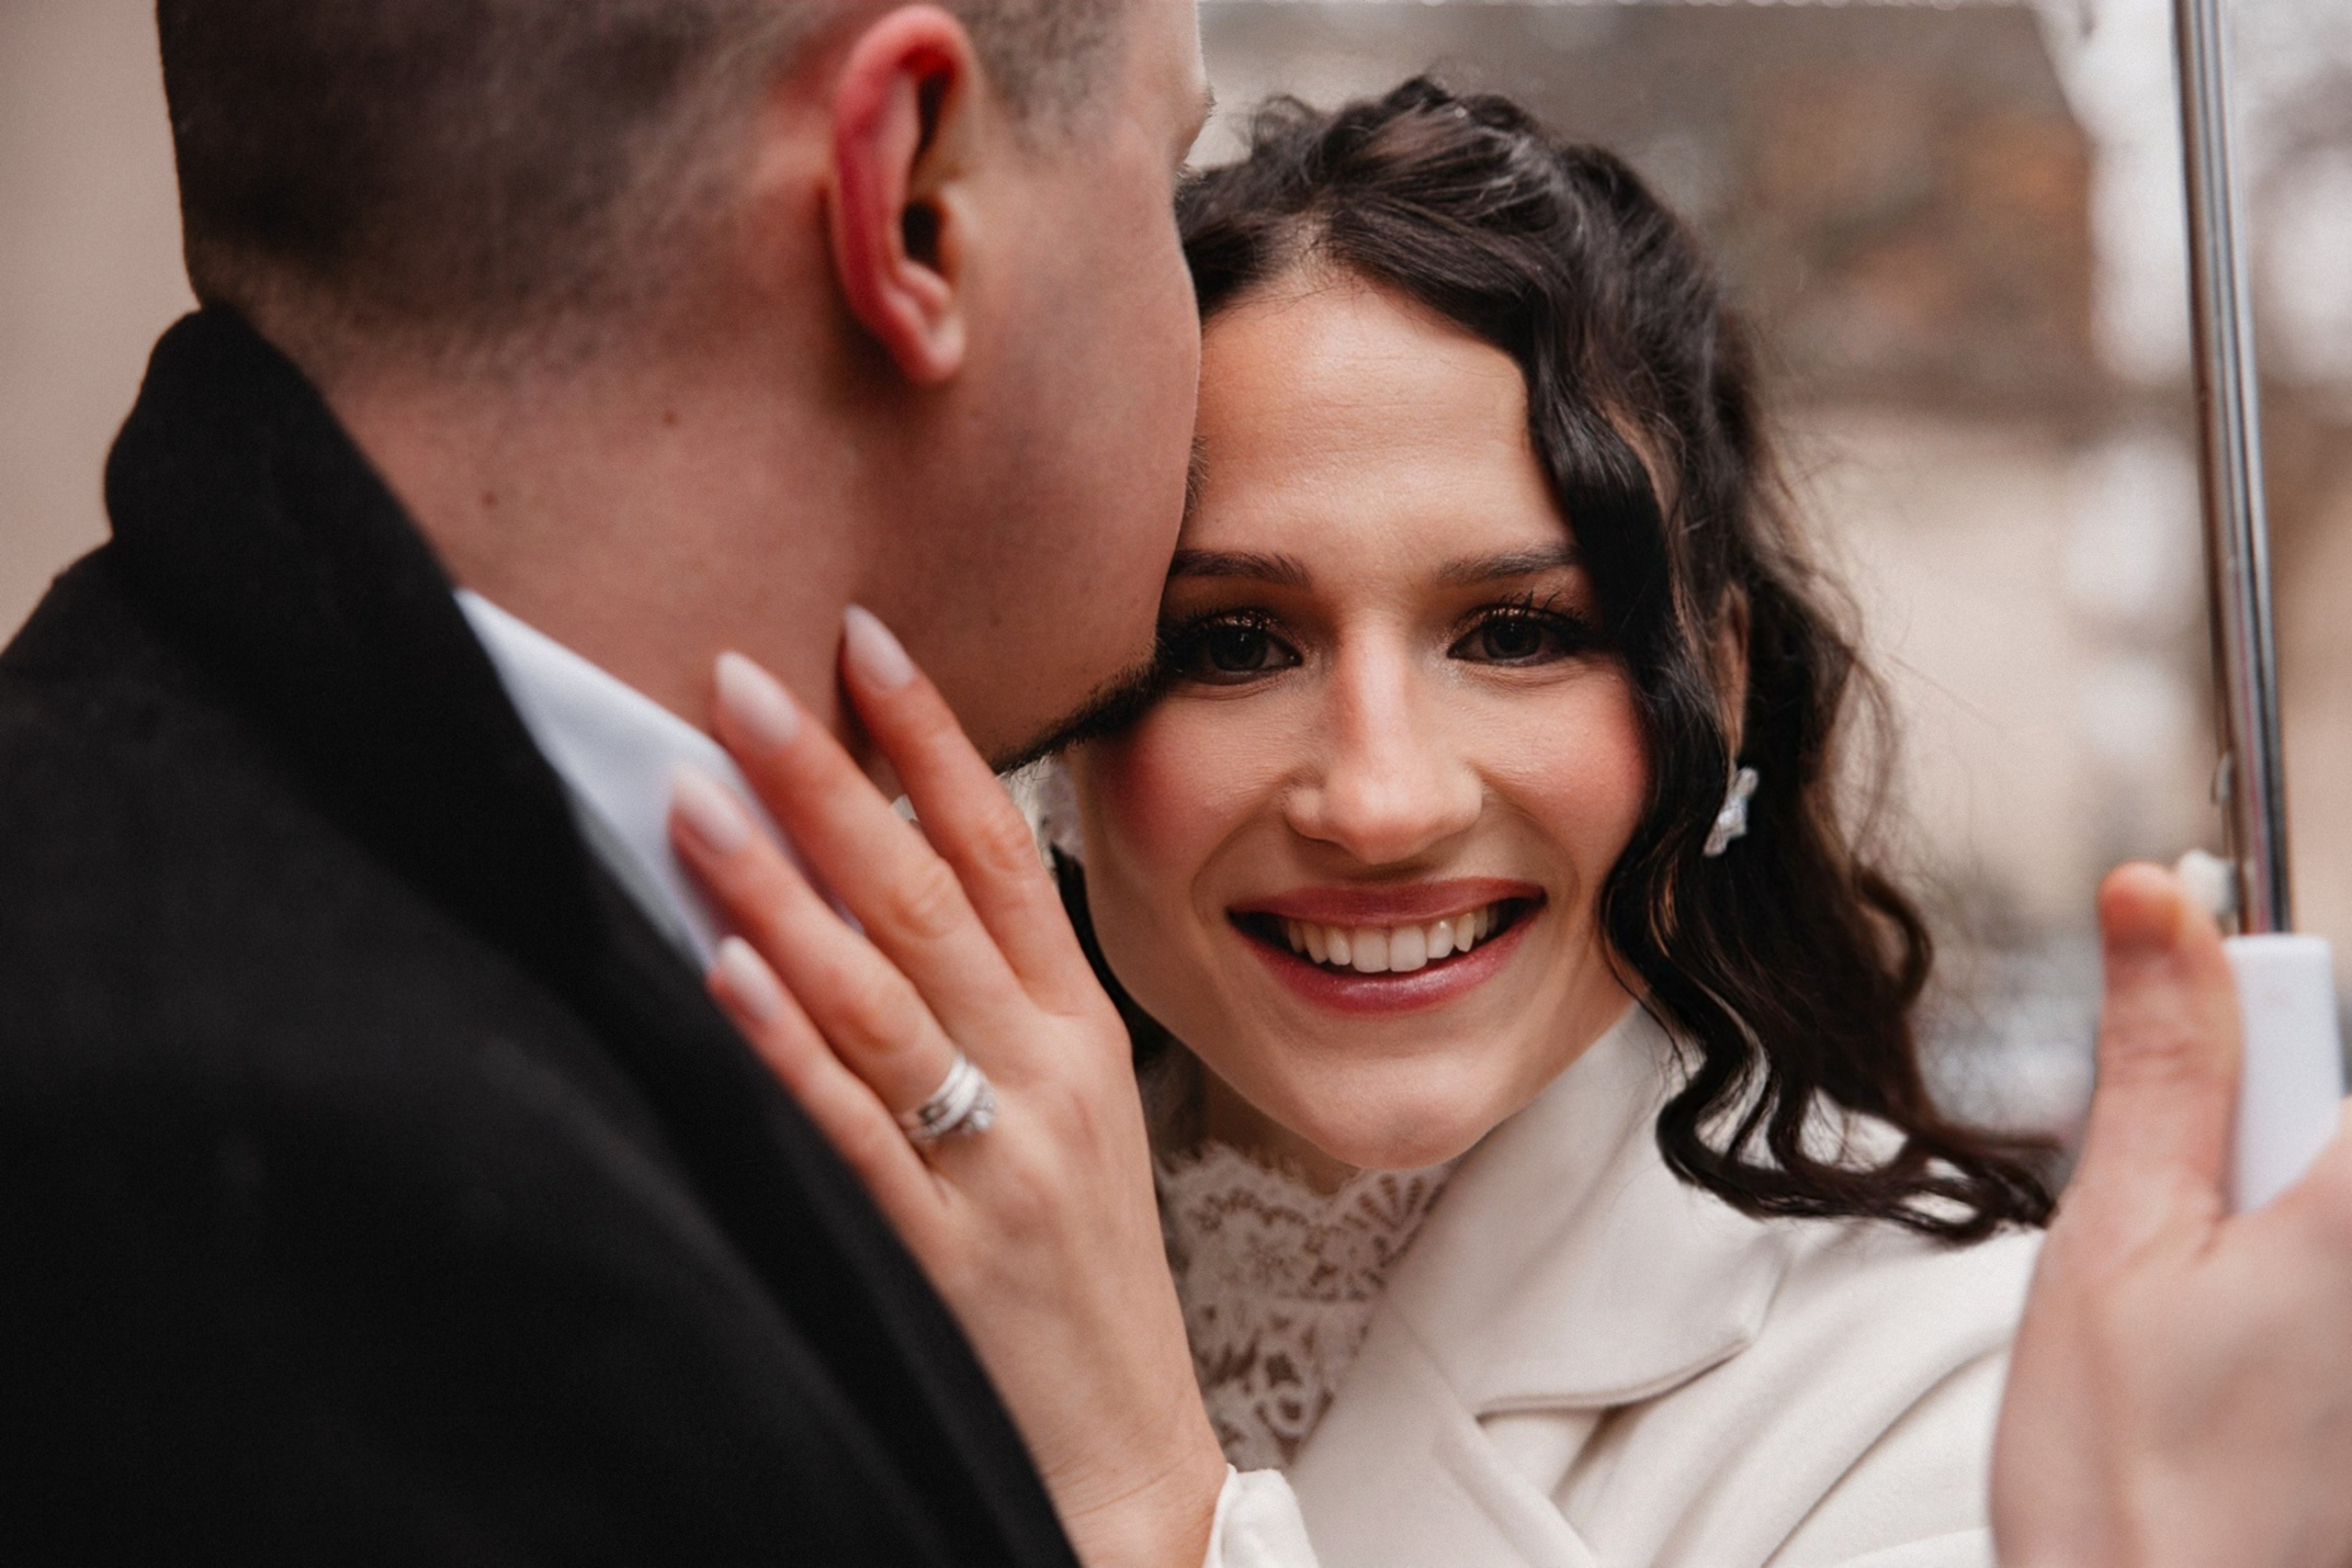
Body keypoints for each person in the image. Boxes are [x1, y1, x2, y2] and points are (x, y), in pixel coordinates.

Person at [0, 4, 2347, 1566]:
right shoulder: (685, 1130)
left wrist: (1149, 1490)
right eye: (1229, 637)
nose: (1373, 786)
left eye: (1516, 627)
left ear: (1703, 684)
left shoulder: (1965, 1401)